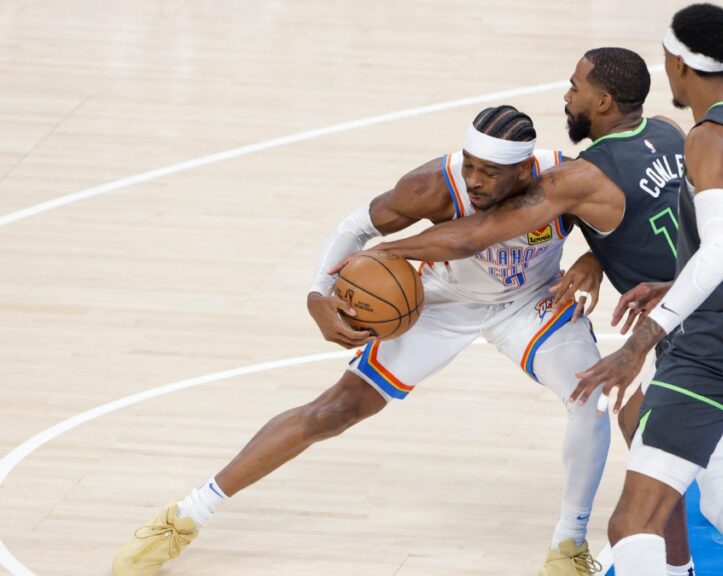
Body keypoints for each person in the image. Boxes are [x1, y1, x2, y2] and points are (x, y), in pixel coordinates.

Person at [377, 43, 723, 575]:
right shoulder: (674, 134)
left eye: (575, 87)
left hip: (694, 339)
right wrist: (596, 256)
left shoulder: (579, 179)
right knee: (707, 488)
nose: (566, 96)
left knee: (636, 502)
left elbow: (476, 234)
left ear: (604, 102)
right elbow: (679, 220)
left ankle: (687, 546)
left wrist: (383, 252)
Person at [112, 105, 610, 576]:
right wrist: (317, 294)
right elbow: (357, 226)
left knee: (592, 399)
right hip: (442, 302)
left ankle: (568, 546)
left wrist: (594, 261)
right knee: (333, 411)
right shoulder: (435, 186)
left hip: (532, 302)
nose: (474, 180)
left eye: (489, 172)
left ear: (523, 170)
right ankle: (186, 516)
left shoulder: (566, 179)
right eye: (470, 165)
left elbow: (619, 232)